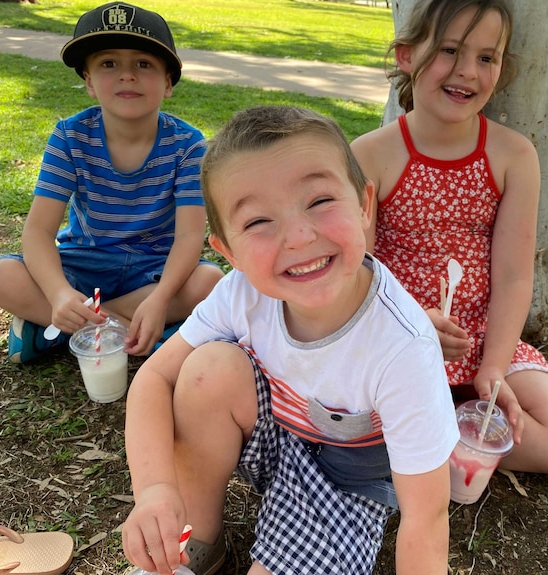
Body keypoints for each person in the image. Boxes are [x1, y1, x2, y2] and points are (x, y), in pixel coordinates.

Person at [120, 106, 459, 575]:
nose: (299, 236)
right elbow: (155, 377)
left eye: (319, 201)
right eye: (258, 221)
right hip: (277, 433)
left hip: (345, 478)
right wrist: (155, 489)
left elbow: (426, 517)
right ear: (228, 252)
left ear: (364, 205)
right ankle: (195, 544)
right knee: (206, 369)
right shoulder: (240, 290)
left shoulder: (402, 345)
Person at [351, 0, 548, 475]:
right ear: (406, 55)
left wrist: (491, 368)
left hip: (483, 343)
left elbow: (512, 278)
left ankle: (425, 444)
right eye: (450, 50)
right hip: (394, 338)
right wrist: (414, 325)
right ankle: (441, 445)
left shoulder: (513, 156)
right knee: (340, 414)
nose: (468, 72)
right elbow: (355, 276)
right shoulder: (370, 155)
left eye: (486, 57)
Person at [0, 2, 223, 363]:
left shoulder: (188, 145)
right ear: (89, 82)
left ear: (168, 82)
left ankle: (54, 330)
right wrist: (60, 293)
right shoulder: (69, 136)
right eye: (109, 64)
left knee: (210, 283)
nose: (127, 75)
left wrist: (158, 299)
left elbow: (190, 236)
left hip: (152, 270)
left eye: (144, 64)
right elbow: (38, 232)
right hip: (84, 264)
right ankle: (126, 328)